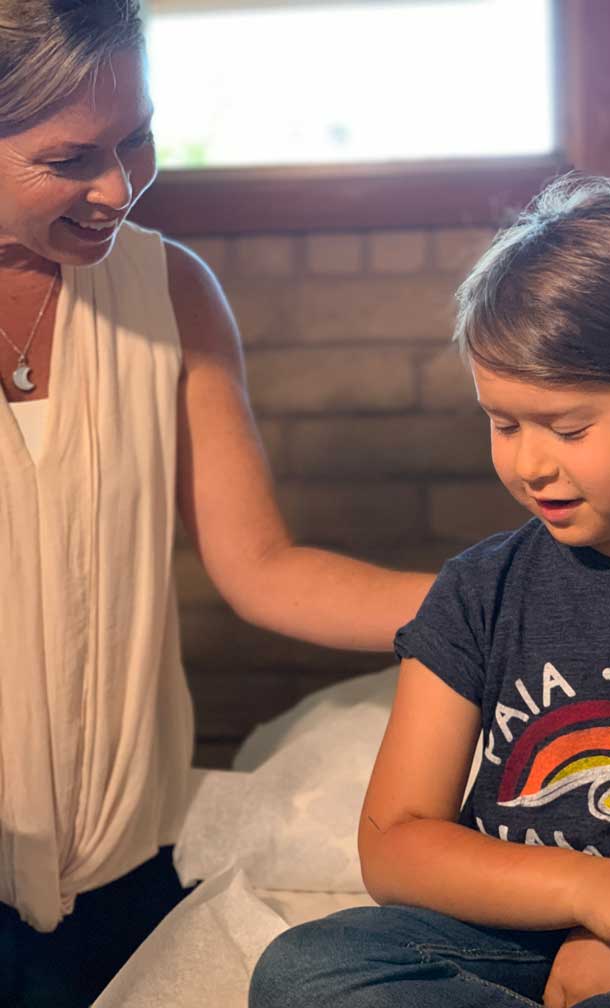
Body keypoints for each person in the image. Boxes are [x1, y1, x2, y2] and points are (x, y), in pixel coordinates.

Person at [0, 2, 433, 1005]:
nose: (119, 185)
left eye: (137, 136)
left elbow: (265, 570)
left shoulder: (174, 292)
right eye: (69, 159)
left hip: (131, 867)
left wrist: (506, 602)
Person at [249, 174, 610, 1008]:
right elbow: (395, 844)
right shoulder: (480, 590)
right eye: (503, 422)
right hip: (513, 942)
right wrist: (597, 896)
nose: (529, 464)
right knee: (309, 969)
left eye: (568, 428)